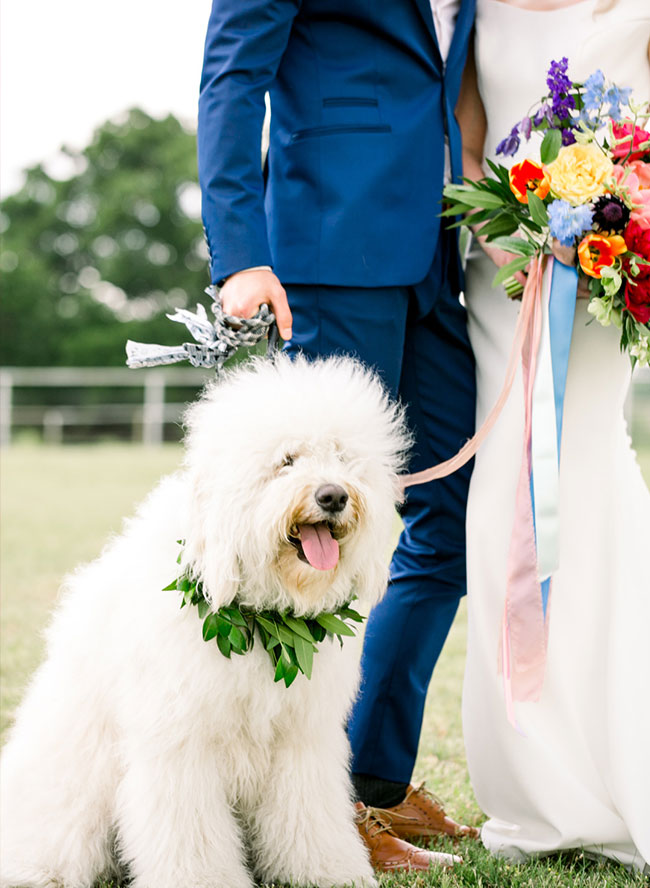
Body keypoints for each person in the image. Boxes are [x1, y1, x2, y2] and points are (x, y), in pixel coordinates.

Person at [197, 0, 480, 872]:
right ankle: (316, 809)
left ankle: (373, 779)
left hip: (437, 257)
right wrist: (239, 250)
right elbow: (233, 71)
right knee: (315, 538)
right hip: (326, 248)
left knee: (455, 513)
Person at [456, 0, 650, 872]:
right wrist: (505, 239)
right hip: (502, 285)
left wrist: (615, 223)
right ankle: (536, 785)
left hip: (601, 291)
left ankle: (616, 758)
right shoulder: (470, 11)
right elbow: (463, 145)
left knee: (596, 493)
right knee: (505, 506)